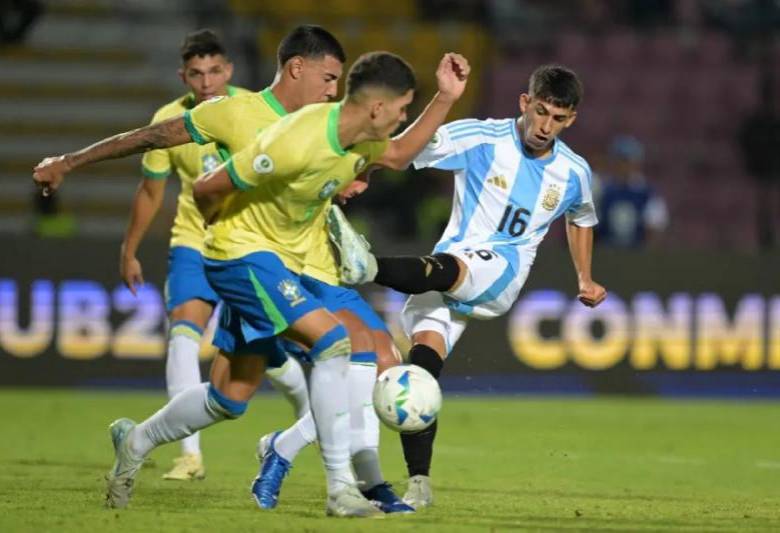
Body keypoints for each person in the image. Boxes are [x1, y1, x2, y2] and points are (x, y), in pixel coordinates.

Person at [34, 48, 469, 515]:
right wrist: (231, 236)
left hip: (299, 264)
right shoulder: (296, 139)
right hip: (245, 257)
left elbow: (401, 154)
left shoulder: (359, 139)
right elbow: (206, 188)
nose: (404, 117)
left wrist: (444, 98)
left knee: (230, 396)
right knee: (336, 345)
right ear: (379, 107)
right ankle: (344, 487)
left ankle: (135, 442)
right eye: (403, 108)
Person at [329, 64, 608, 508]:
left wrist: (585, 276)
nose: (545, 126)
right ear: (525, 102)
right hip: (441, 272)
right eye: (541, 112)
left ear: (571, 120)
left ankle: (364, 266)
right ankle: (419, 484)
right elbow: (404, 149)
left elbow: (582, 218)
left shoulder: (573, 172)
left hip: (499, 274)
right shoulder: (480, 137)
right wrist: (366, 172)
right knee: (418, 375)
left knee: (452, 266)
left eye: (558, 119)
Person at [119, 28, 246, 482]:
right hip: (193, 245)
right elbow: (151, 192)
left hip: (249, 246)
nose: (207, 82)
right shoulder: (168, 120)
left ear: (228, 70)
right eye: (197, 74)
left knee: (279, 358)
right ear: (183, 76)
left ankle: (295, 442)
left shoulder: (252, 110)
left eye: (215, 71)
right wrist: (129, 249)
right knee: (183, 335)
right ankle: (190, 455)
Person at [595, 135, 668, 248]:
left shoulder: (648, 194)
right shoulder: (601, 191)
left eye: (626, 161)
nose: (623, 166)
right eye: (619, 161)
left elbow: (654, 230)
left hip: (636, 256)